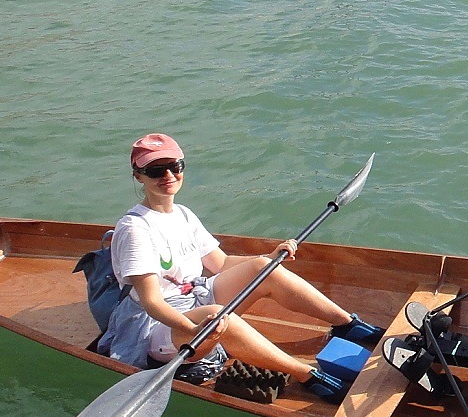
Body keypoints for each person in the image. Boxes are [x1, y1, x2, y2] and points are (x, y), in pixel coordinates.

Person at [96, 133, 384, 403]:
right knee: (216, 316)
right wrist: (194, 329)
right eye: (156, 171)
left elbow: (220, 264)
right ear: (138, 175)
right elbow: (152, 302)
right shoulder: (135, 230)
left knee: (263, 267)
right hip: (158, 326)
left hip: (195, 298)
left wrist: (270, 256)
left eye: (175, 166)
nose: (168, 176)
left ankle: (349, 325)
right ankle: (306, 374)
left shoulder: (182, 214)